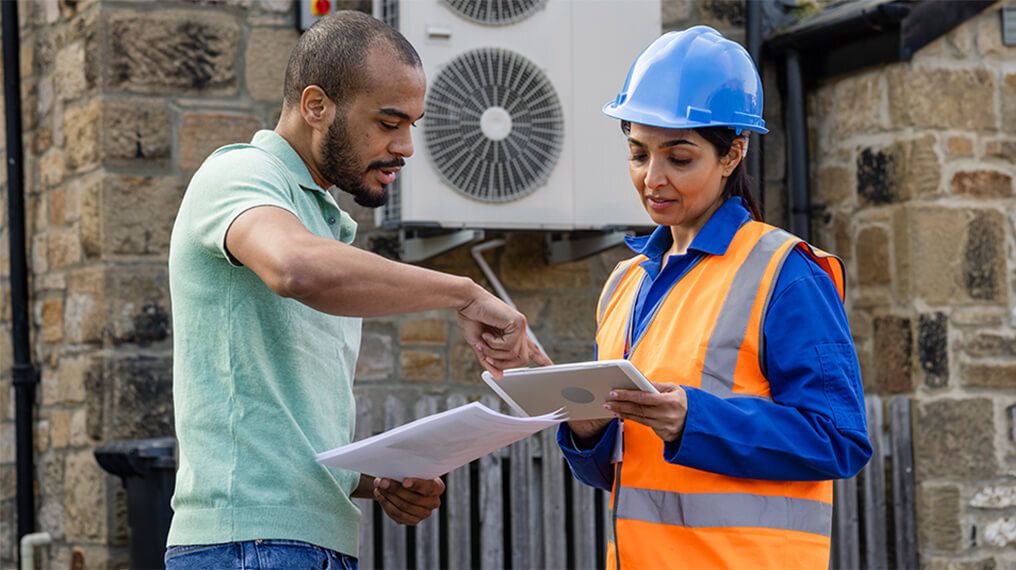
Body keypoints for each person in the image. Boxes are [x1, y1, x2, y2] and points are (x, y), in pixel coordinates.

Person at [165, 11, 548, 569]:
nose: (407, 147)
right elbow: (295, 268)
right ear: (316, 106)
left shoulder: (325, 222)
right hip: (248, 544)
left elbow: (278, 419)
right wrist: (463, 292)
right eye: (389, 122)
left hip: (304, 543)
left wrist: (372, 482)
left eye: (412, 124)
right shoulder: (238, 174)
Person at [557, 26, 872, 569]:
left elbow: (839, 439)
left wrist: (692, 420)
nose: (652, 178)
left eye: (678, 158)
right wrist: (586, 430)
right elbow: (621, 474)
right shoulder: (623, 283)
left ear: (732, 155)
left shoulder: (787, 274)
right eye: (638, 153)